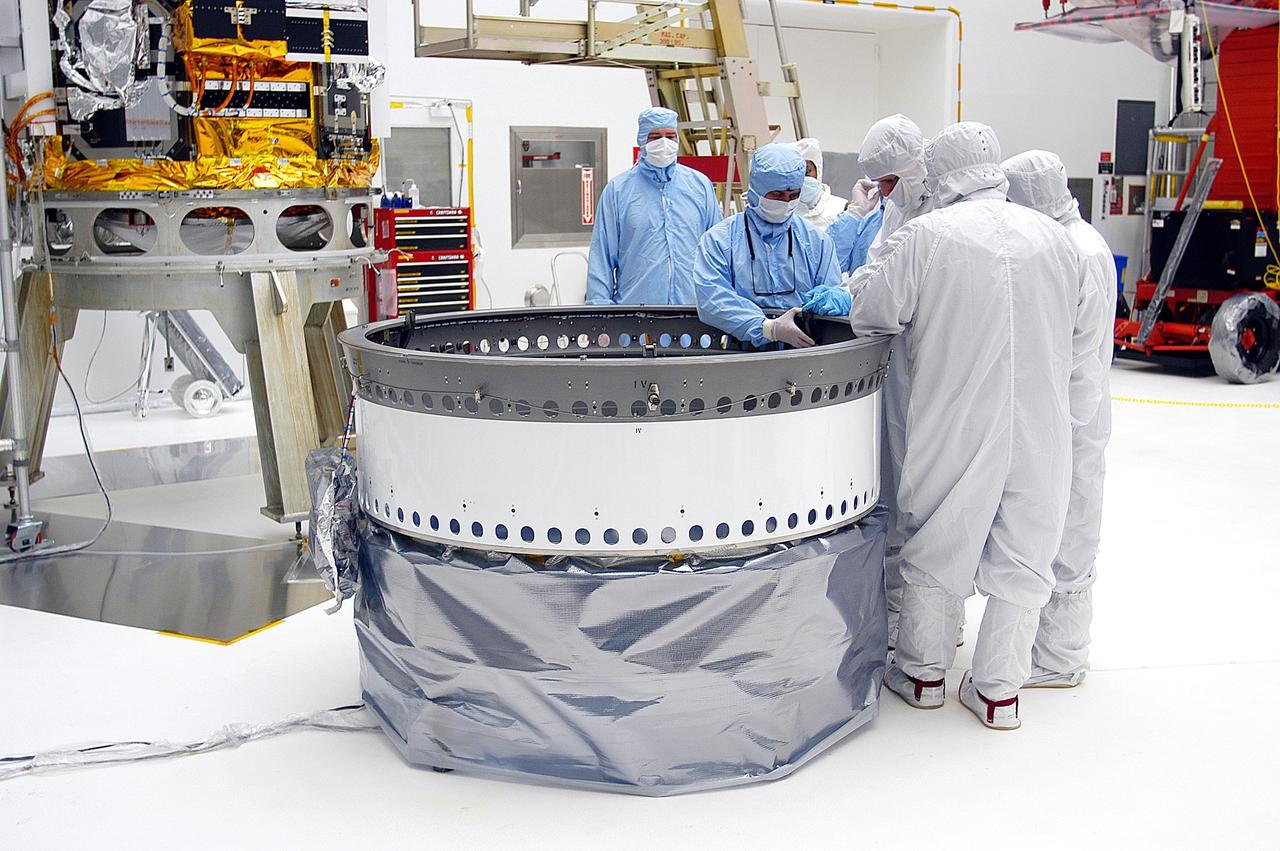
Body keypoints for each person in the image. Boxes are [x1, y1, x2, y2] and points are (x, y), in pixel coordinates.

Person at [846, 122, 1084, 730]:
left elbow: (871, 313)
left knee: (938, 539)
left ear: (940, 175)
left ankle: (924, 674)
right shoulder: (1058, 241)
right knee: (1025, 545)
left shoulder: (928, 235)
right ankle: (1000, 691)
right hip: (1042, 423)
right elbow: (1079, 336)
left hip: (953, 415)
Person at [803, 114, 937, 652]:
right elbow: (881, 263)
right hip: (897, 352)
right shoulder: (900, 205)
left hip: (931, 352)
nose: (882, 192)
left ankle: (923, 626)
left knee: (923, 484)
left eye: (888, 181)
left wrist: (862, 298)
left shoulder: (943, 211)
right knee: (895, 472)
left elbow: (909, 282)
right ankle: (899, 614)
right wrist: (849, 287)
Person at [1002, 149, 1115, 689]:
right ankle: (1048, 648)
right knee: (1058, 523)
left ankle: (1062, 657)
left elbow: (1076, 349)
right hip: (1068, 412)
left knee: (1071, 529)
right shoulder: (1073, 241)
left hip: (1075, 417)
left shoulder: (1078, 251)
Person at [694, 143, 841, 348]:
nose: (786, 203)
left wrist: (829, 303)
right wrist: (767, 328)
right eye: (778, 195)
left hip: (803, 356)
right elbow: (712, 298)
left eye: (793, 196)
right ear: (756, 190)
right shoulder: (719, 241)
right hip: (740, 358)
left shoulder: (816, 242)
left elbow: (830, 293)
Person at [586, 107, 720, 305]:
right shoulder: (618, 191)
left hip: (693, 312)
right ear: (642, 140)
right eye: (655, 137)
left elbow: (718, 250)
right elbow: (602, 257)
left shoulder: (700, 186)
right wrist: (600, 313)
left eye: (670, 136)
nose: (663, 143)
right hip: (635, 315)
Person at [792, 138, 849, 231]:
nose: (802, 179)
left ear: (818, 170)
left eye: (807, 172)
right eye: (796, 173)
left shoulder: (842, 208)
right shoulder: (785, 213)